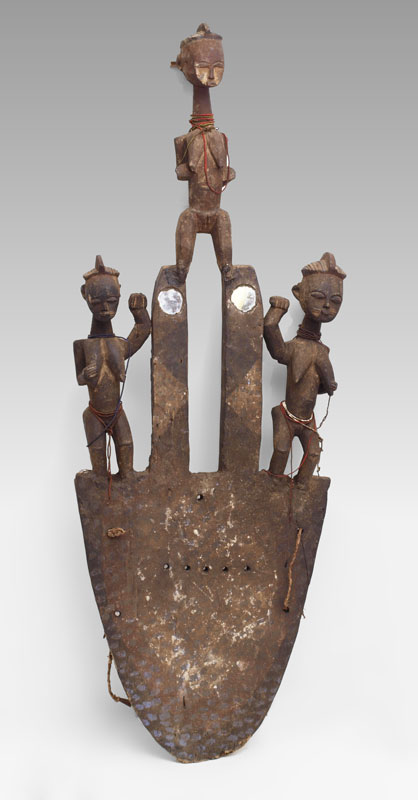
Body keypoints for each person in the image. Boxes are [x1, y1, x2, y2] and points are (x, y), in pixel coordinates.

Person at [264, 252, 346, 483]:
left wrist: (329, 385)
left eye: (336, 301)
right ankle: (273, 485)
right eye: (318, 297)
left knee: (313, 455)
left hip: (307, 420)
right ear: (299, 293)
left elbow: (319, 387)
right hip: (286, 416)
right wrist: (274, 315)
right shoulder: (295, 348)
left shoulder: (322, 351)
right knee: (281, 450)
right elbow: (276, 349)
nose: (327, 306)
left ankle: (301, 490)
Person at [73, 255, 150, 481]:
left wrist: (140, 311)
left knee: (126, 451)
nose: (105, 308)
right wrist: (85, 375)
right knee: (98, 471)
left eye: (112, 301)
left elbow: (143, 330)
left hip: (117, 412)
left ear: (119, 295)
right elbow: (79, 379)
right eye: (97, 302)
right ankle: (99, 487)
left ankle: (127, 484)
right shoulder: (82, 346)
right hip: (94, 415)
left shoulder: (119, 345)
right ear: (85, 295)